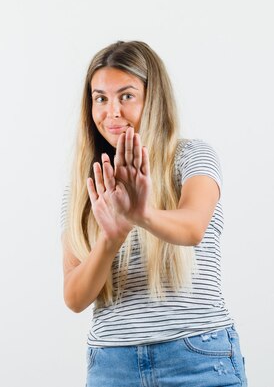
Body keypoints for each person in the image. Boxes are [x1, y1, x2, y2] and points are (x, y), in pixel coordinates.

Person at [60, 40, 248, 387]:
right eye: (100, 98)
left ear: (153, 99)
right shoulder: (87, 186)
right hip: (113, 366)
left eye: (126, 96)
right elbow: (74, 297)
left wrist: (141, 214)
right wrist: (111, 237)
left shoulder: (192, 157)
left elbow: (193, 227)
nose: (111, 111)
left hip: (196, 359)